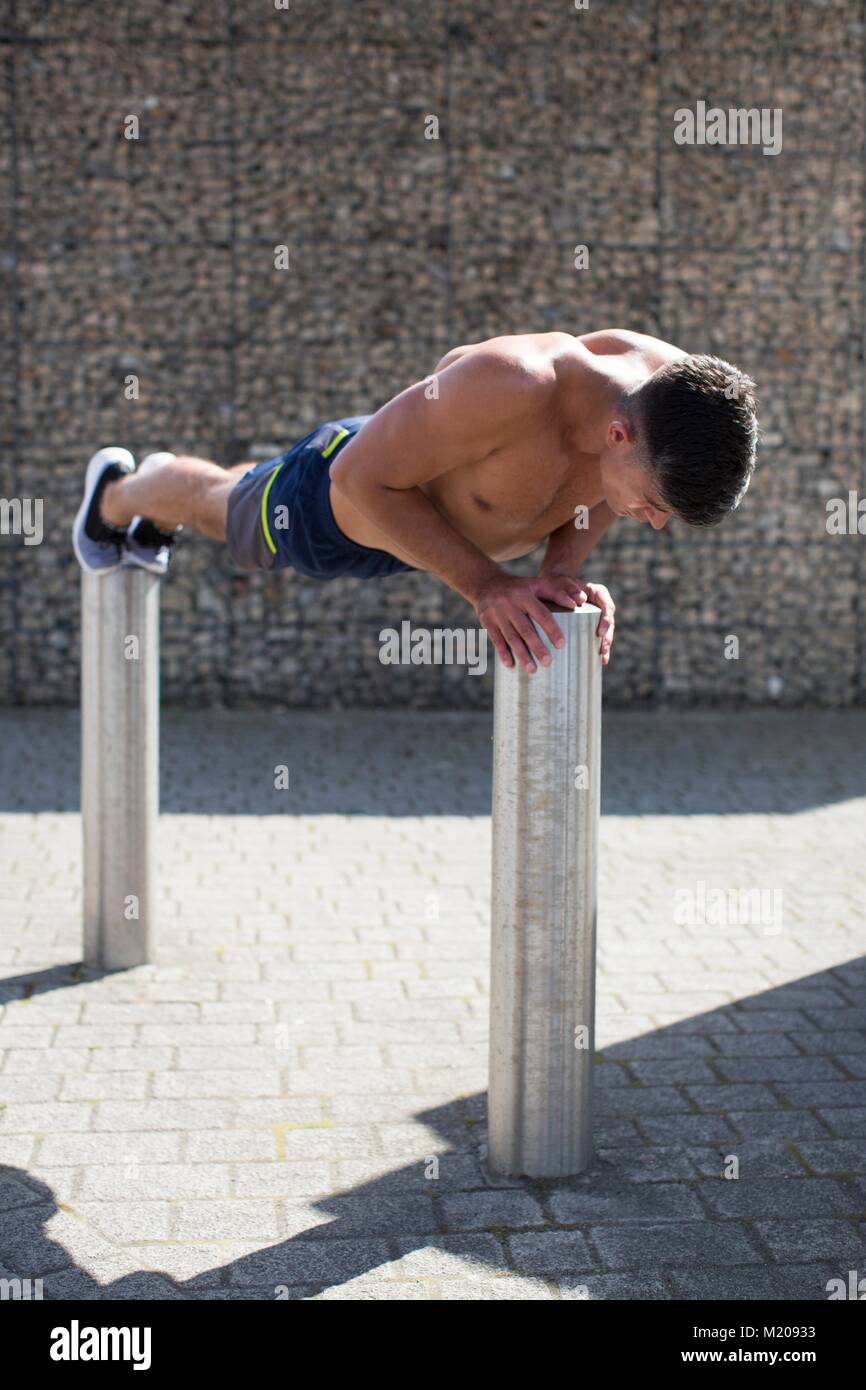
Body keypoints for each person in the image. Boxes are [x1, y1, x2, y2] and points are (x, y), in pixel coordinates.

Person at [72, 328, 758, 673]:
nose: (655, 521)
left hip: (433, 531)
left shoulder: (666, 397)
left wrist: (559, 572)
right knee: (223, 507)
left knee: (254, 480)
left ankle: (241, 474)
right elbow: (359, 480)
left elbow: (612, 487)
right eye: (655, 504)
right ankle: (121, 492)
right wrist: (488, 586)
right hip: (346, 509)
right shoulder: (515, 384)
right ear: (617, 433)